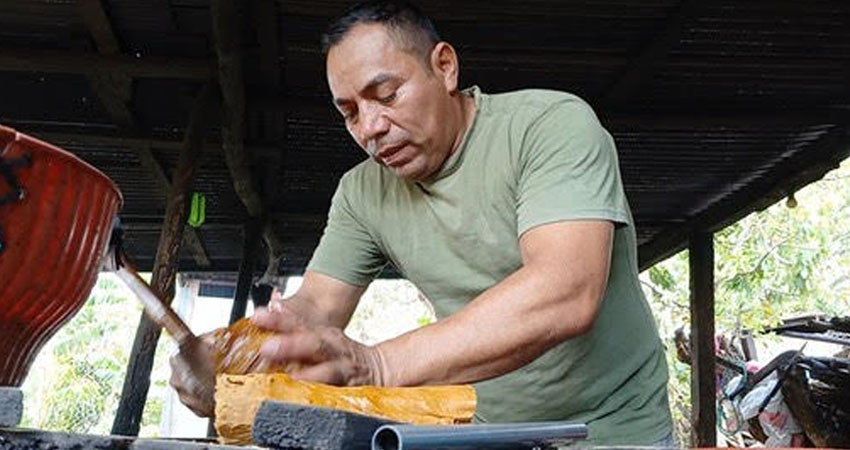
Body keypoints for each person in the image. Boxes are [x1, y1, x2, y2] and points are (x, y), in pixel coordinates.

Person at [170, 1, 673, 445]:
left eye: (387, 95)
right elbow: (317, 306)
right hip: (489, 433)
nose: (370, 128)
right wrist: (236, 352)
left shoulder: (548, 126)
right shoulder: (363, 191)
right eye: (350, 112)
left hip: (615, 430)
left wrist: (379, 365)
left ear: (444, 67)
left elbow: (566, 291)